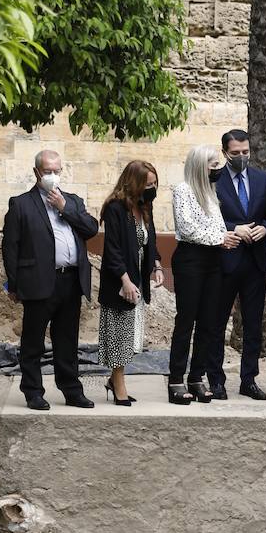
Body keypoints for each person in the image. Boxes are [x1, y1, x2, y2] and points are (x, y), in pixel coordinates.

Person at [2, 149, 98, 411]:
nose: (53, 176)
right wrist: (13, 282)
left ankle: (71, 390)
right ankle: (33, 392)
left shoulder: (74, 202)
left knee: (67, 340)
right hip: (38, 281)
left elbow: (91, 229)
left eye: (57, 171)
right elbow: (10, 246)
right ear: (36, 173)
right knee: (33, 341)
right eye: (47, 172)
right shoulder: (21, 204)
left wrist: (64, 208)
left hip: (71, 281)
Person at [206, 129, 266, 401]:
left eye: (245, 152)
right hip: (225, 261)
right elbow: (206, 215)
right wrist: (233, 228)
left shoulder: (260, 178)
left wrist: (265, 229)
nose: (241, 157)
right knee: (216, 324)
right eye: (235, 153)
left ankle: (249, 380)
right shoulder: (214, 179)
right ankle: (216, 380)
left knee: (253, 325)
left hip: (256, 262)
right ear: (225, 152)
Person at [169, 145, 240, 406]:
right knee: (186, 320)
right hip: (191, 259)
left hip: (213, 261)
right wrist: (221, 239)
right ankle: (176, 379)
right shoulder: (184, 190)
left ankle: (196, 377)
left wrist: (226, 237)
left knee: (209, 322)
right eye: (212, 164)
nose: (218, 168)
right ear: (200, 165)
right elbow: (187, 228)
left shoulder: (211, 192)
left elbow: (217, 226)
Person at [97, 160, 165, 407]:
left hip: (137, 278)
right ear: (134, 183)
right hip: (120, 280)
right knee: (119, 335)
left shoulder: (145, 206)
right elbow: (112, 250)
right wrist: (124, 280)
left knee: (131, 335)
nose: (153, 187)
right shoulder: (116, 208)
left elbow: (151, 240)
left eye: (155, 183)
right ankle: (119, 385)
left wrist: (156, 265)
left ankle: (113, 380)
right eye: (148, 183)